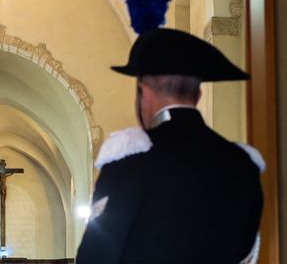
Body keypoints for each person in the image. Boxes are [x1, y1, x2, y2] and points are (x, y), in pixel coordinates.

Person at [76, 28, 263, 263]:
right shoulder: (242, 165)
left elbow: (96, 255)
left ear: (144, 93)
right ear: (198, 95)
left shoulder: (131, 159)